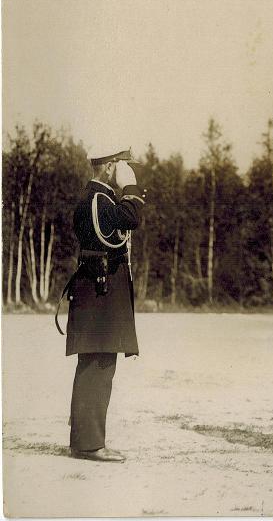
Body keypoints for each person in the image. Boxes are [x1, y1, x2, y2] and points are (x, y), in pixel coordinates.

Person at [63, 146, 147, 463]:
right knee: (98, 366)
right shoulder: (98, 199)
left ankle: (84, 438)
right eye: (124, 166)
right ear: (111, 167)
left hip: (99, 292)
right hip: (100, 293)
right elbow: (132, 218)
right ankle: (88, 444)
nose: (129, 171)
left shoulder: (99, 199)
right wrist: (130, 186)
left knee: (96, 365)